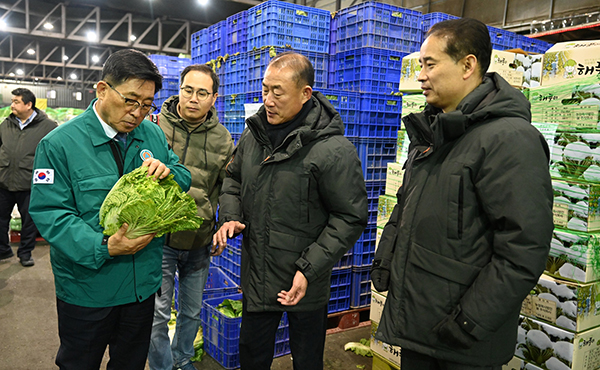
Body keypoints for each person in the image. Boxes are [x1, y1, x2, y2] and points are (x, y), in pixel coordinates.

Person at [370, 18, 553, 370]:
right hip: (419, 326)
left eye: (430, 64)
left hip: (461, 342)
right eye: (420, 65)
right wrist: (386, 256)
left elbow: (524, 247)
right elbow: (407, 207)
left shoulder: (509, 140)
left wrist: (469, 322)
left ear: (468, 65)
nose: (420, 76)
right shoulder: (434, 132)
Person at [29, 49, 191, 370]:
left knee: (130, 364)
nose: (137, 112)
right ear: (102, 90)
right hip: (88, 290)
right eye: (130, 100)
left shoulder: (153, 134)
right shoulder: (59, 144)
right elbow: (51, 214)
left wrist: (169, 172)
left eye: (147, 104)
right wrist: (104, 247)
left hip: (141, 289)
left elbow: (183, 176)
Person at [213, 52, 368, 370]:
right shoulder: (253, 135)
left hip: (305, 281)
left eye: (277, 92)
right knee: (252, 355)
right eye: (265, 89)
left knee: (307, 358)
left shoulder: (333, 150)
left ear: (305, 93)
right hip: (258, 277)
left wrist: (308, 269)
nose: (267, 100)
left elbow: (349, 217)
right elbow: (233, 179)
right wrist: (230, 216)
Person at [148, 64, 234, 370]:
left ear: (214, 98)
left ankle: (182, 359)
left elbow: (227, 188)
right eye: (188, 90)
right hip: (158, 238)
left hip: (199, 238)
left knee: (190, 311)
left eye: (202, 93)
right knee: (157, 314)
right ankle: (162, 367)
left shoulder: (223, 139)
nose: (193, 98)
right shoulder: (154, 127)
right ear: (178, 90)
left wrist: (222, 224)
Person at [0, 88, 56, 267]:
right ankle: (3, 250)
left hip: (29, 183)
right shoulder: (5, 124)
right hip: (4, 180)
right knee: (1, 219)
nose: (12, 105)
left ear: (28, 104)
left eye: (16, 101)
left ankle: (25, 253)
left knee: (29, 223)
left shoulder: (48, 127)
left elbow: (55, 155)